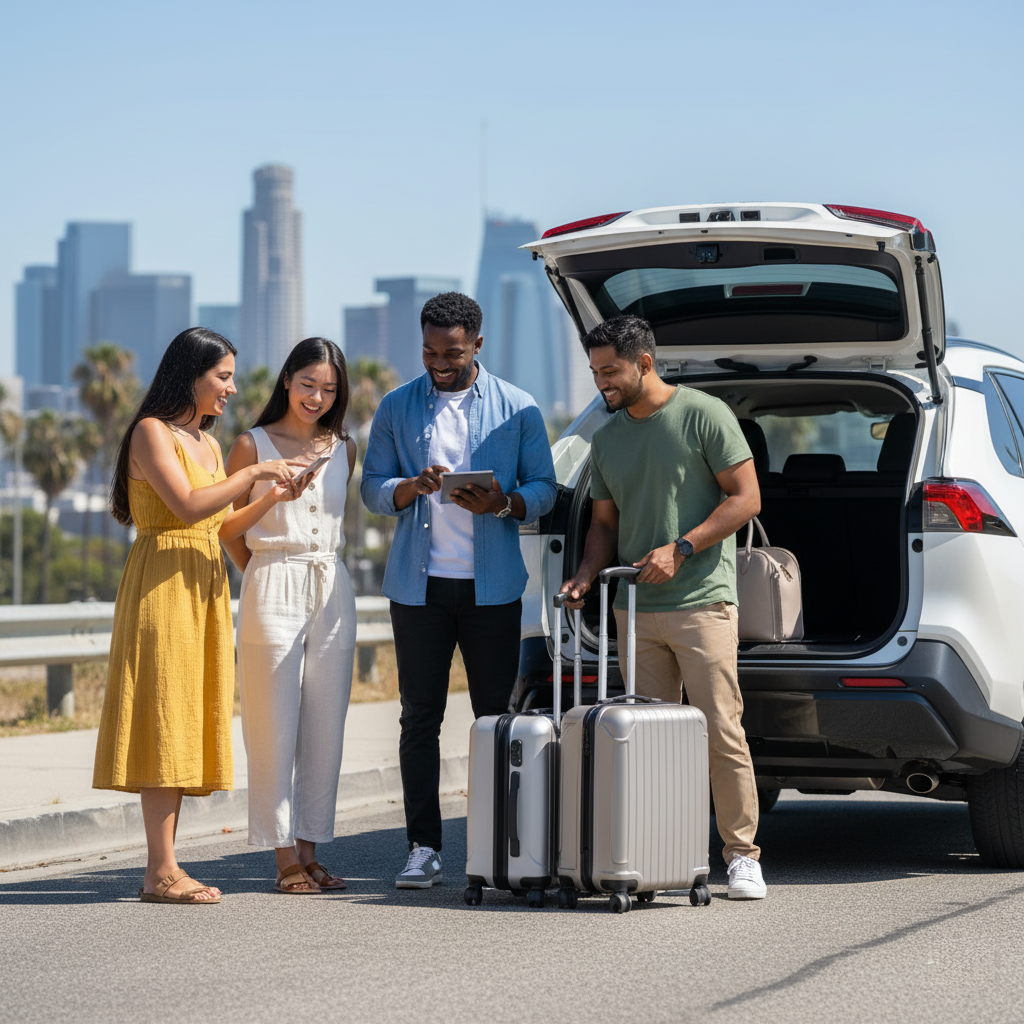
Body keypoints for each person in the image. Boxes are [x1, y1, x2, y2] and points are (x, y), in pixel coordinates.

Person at [559, 314, 768, 900]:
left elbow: (746, 498)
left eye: (611, 371)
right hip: (635, 609)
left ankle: (743, 856)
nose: (601, 382)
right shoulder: (606, 439)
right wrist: (583, 575)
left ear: (644, 362)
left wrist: (682, 547)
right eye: (595, 371)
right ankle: (665, 853)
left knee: (720, 730)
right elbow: (604, 524)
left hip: (702, 601)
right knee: (651, 739)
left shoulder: (703, 414)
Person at [93, 328, 302, 904]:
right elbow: (185, 507)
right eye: (224, 376)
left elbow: (217, 526)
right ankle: (161, 870)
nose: (232, 389)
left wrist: (270, 500)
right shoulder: (151, 433)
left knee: (184, 718)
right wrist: (254, 474)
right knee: (163, 717)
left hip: (204, 583)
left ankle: (164, 866)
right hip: (161, 584)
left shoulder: (207, 444)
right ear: (191, 374)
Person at [361, 291, 557, 889]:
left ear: (476, 344)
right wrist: (409, 487)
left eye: (450, 352)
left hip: (491, 591)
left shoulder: (517, 409)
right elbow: (371, 488)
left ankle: (498, 845)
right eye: (428, 351)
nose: (438, 363)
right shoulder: (397, 406)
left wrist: (505, 503)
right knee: (419, 718)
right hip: (418, 592)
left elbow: (545, 487)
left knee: (495, 720)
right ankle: (423, 847)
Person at [220, 338, 357, 895]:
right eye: (307, 384)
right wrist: (262, 569)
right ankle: (283, 858)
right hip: (272, 578)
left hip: (331, 580)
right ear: (286, 380)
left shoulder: (343, 445)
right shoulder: (251, 446)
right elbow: (227, 531)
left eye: (328, 389)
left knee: (326, 725)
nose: (317, 397)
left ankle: (310, 849)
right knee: (272, 722)